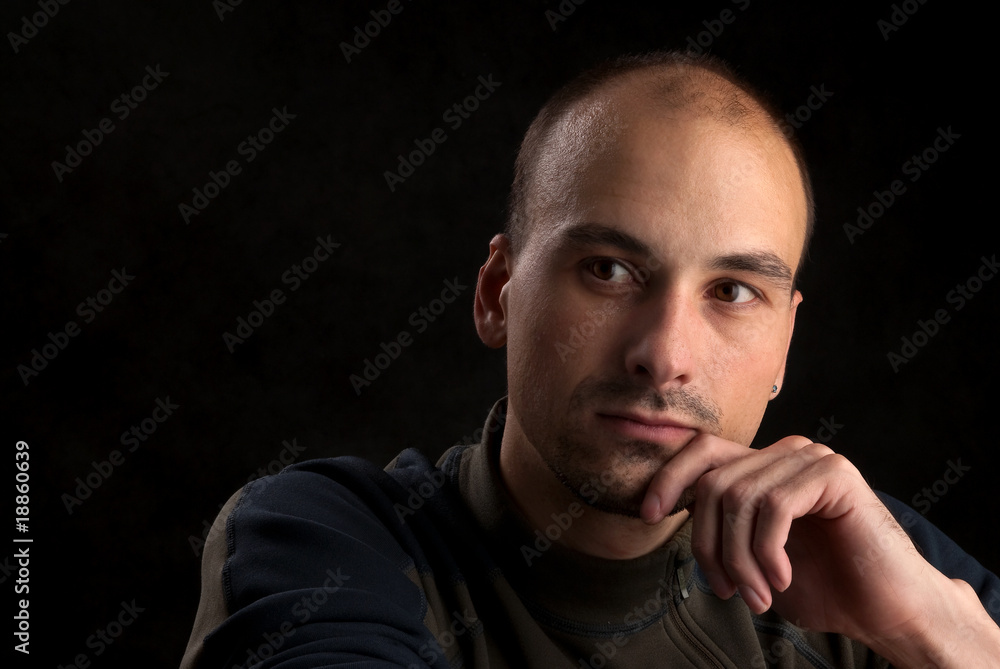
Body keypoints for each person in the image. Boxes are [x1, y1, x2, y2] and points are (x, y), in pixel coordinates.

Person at [180, 51, 1000, 668]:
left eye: (733, 290)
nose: (664, 356)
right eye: (608, 270)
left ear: (786, 342)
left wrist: (937, 634)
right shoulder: (322, 539)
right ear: (498, 291)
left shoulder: (869, 556)